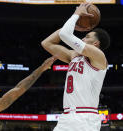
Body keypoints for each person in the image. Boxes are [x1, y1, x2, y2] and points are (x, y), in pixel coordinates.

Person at [41, 3, 110, 131]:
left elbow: (65, 35)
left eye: (87, 36)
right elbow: (47, 43)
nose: (83, 38)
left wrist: (76, 15)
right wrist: (76, 27)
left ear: (96, 43)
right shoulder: (74, 55)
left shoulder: (99, 57)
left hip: (85, 118)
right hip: (66, 117)